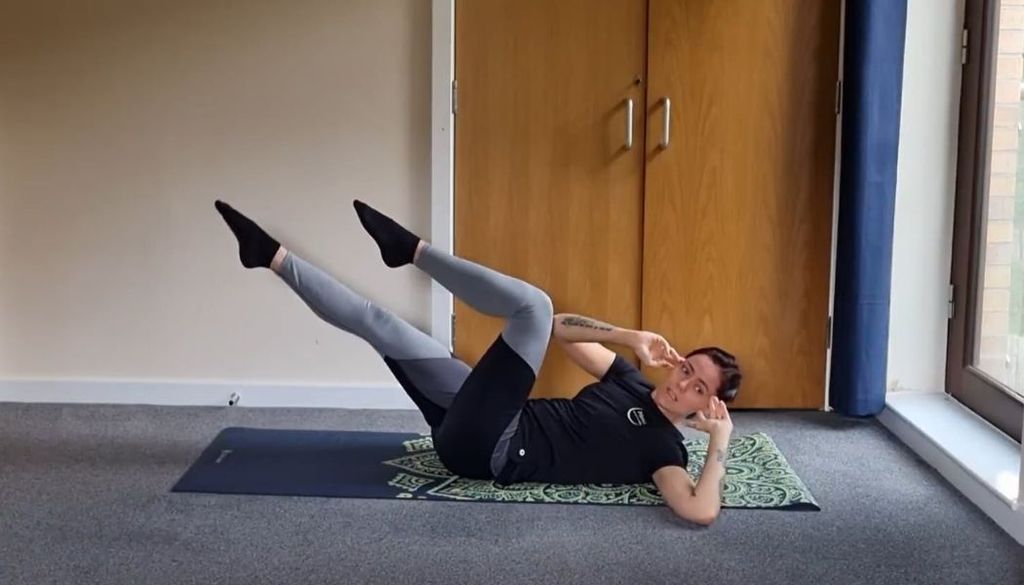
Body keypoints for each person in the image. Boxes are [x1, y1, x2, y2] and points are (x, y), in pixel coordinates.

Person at [214, 198, 742, 526]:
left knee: (532, 304)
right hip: (478, 420)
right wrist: (631, 337)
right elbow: (561, 329)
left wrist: (720, 439)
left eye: (699, 388)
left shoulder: (663, 447)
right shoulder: (629, 379)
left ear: (708, 405)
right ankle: (271, 257)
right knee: (383, 324)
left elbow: (699, 510)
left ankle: (412, 252)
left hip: (493, 449)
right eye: (686, 369)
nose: (683, 384)